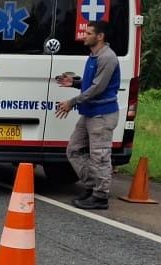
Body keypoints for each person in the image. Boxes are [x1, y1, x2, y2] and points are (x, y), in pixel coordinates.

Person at [55, 20, 121, 210]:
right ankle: (92, 186)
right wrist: (75, 83)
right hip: (90, 113)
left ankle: (100, 196)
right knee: (74, 149)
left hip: (102, 114)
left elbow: (98, 88)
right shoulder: (93, 56)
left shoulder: (107, 58)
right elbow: (92, 83)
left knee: (99, 156)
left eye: (89, 33)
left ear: (100, 36)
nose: (85, 36)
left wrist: (71, 102)